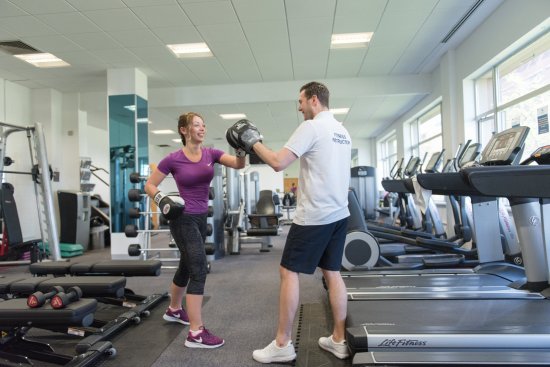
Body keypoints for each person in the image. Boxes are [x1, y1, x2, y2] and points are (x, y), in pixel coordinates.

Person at [226, 81, 352, 363]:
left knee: (288, 272)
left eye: (301, 101)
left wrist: (252, 140)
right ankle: (339, 339)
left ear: (314, 100)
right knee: (332, 272)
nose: (299, 107)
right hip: (339, 213)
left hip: (315, 215)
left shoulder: (312, 127)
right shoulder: (342, 132)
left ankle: (282, 343)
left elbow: (278, 162)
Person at [145, 112, 245, 349]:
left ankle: (174, 310)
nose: (202, 129)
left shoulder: (212, 154)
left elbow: (239, 165)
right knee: (199, 269)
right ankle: (196, 333)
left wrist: (241, 147)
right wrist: (161, 199)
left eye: (203, 125)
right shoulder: (173, 159)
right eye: (197, 125)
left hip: (200, 218)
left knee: (186, 265)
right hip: (182, 219)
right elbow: (150, 184)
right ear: (184, 130)